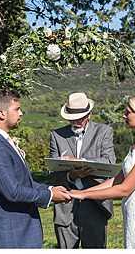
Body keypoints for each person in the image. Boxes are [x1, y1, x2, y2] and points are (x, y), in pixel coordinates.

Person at [0, 89, 71, 248]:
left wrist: (50, 188)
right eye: (16, 109)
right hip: (8, 230)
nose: (21, 113)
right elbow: (12, 191)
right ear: (1, 114)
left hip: (20, 228)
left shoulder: (2, 141)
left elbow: (23, 182)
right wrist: (48, 195)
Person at [68, 93, 135, 249]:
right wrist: (81, 193)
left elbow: (124, 189)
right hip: (131, 215)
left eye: (127, 112)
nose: (123, 115)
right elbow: (115, 181)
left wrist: (84, 194)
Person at [49, 92, 116, 248]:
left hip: (95, 205)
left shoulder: (104, 131)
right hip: (65, 206)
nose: (77, 120)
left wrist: (83, 163)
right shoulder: (56, 135)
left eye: (81, 116)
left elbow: (109, 161)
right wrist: (71, 175)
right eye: (73, 117)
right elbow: (53, 172)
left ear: (89, 114)